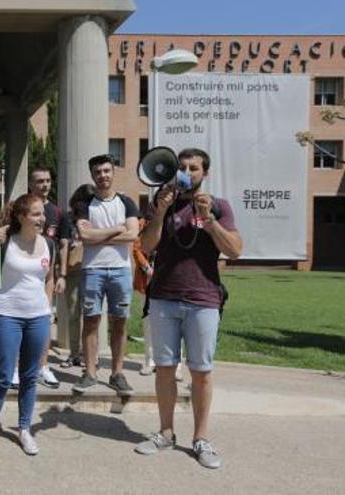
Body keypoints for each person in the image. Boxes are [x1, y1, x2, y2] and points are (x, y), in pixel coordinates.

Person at [135, 148, 242, 469]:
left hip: (204, 299)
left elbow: (235, 250)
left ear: (204, 173)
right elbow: (146, 245)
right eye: (182, 167)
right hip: (164, 297)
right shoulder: (161, 203)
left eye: (193, 168)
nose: (186, 172)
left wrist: (209, 221)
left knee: (202, 372)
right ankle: (166, 432)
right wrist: (162, 210)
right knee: (165, 369)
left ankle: (201, 438)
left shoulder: (219, 206)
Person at [0, 193, 56, 460]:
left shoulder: (49, 244)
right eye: (36, 214)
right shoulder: (3, 241)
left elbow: (49, 279)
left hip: (38, 318)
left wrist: (47, 307)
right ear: (22, 217)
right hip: (7, 315)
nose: (41, 218)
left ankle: (24, 428)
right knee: (2, 377)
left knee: (30, 377)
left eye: (42, 213)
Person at [72, 154, 139, 397]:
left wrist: (99, 235)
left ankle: (117, 373)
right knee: (90, 321)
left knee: (119, 322)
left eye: (107, 171)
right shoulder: (84, 205)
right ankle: (89, 373)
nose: (103, 176)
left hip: (120, 270)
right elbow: (85, 237)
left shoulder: (127, 202)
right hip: (92, 270)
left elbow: (133, 235)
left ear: (113, 172)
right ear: (92, 175)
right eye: (98, 172)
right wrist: (117, 229)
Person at [26, 167, 71, 388]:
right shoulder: (20, 207)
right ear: (30, 184)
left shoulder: (58, 213)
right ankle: (20, 367)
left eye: (48, 180)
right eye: (39, 181)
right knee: (22, 321)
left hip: (47, 278)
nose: (44, 184)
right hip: (22, 277)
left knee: (44, 321)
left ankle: (43, 366)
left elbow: (63, 245)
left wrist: (62, 274)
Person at [58, 184, 95, 369]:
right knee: (73, 314)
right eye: (84, 200)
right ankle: (74, 354)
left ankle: (91, 357)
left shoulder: (97, 215)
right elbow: (63, 245)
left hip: (94, 270)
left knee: (92, 315)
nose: (87, 205)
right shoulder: (68, 217)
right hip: (73, 271)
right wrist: (62, 274)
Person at [132, 217, 155, 376]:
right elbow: (136, 247)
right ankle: (149, 360)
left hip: (172, 283)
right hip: (147, 283)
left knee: (175, 325)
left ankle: (176, 365)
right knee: (149, 324)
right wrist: (148, 268)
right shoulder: (145, 222)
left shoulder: (178, 218)